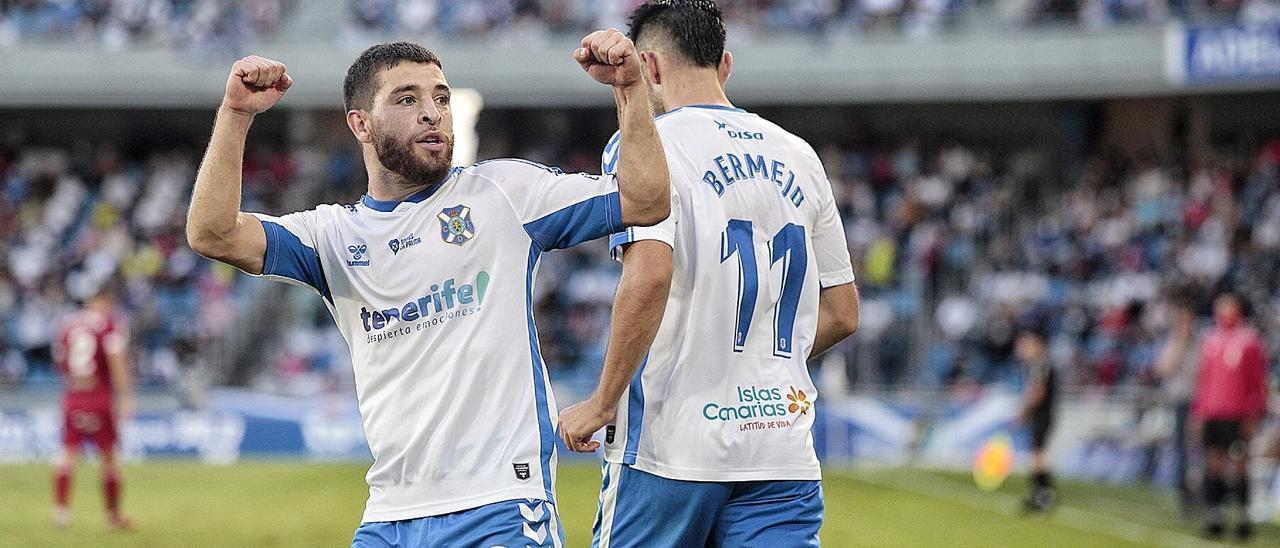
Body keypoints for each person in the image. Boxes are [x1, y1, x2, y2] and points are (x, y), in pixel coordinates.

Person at [185, 36, 669, 547]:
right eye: (407, 99)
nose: (432, 113)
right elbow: (212, 233)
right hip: (389, 516)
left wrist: (631, 89)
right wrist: (237, 114)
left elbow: (646, 198)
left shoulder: (502, 194)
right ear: (361, 125)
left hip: (500, 505)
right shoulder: (332, 238)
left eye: (440, 98)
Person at [556, 2, 860, 546]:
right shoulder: (800, 154)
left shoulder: (645, 142)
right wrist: (759, 362)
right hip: (780, 450)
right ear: (725, 63)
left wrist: (602, 402)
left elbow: (649, 275)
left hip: (671, 449)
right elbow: (842, 313)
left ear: (647, 66)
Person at [52, 281, 135, 531]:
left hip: (73, 394)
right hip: (99, 396)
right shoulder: (108, 325)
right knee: (109, 457)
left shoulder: (68, 325)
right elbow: (116, 361)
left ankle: (61, 513)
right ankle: (113, 517)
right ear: (106, 302)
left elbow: (60, 361)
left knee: (68, 454)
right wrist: (126, 395)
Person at [1192, 292, 1269, 541]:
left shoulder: (1250, 340)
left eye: (1227, 304)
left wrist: (1254, 413)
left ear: (1237, 307)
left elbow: (1257, 381)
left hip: (1238, 414)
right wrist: (1199, 411)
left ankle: (1243, 516)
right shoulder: (1210, 339)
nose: (1222, 309)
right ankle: (1215, 514)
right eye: (1219, 304)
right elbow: (1203, 380)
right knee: (1214, 462)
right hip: (1213, 413)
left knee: (1239, 463)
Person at [1154, 297, 1200, 515]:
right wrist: (1179, 343)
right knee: (1181, 450)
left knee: (1202, 450)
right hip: (1181, 402)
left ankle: (1202, 494)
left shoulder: (1202, 344)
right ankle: (1185, 496)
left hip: (1201, 404)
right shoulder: (1172, 343)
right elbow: (1164, 369)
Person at [1014, 324, 1057, 513]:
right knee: (1036, 453)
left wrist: (1025, 411)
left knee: (1038, 454)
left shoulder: (1040, 363)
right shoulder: (1039, 363)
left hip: (1042, 413)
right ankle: (1039, 494)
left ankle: (1043, 495)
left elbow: (1038, 391)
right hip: (1042, 413)